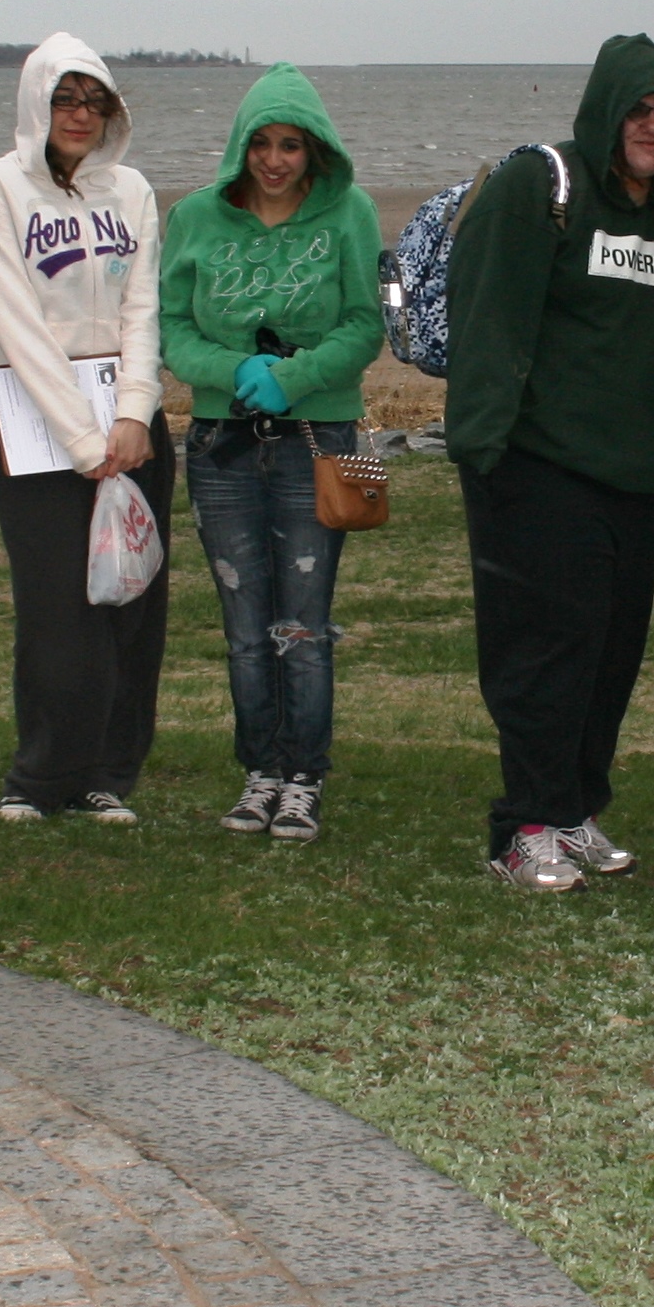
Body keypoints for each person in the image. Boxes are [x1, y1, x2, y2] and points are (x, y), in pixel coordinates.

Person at [449, 36, 654, 892]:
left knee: (609, 655)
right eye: (638, 111)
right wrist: (483, 449)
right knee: (542, 656)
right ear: (604, 112)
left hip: (631, 475)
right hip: (533, 466)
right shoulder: (541, 186)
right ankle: (522, 826)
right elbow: (485, 312)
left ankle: (573, 810)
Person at [159, 64, 385, 844]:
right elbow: (171, 330)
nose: (275, 159)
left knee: (304, 623)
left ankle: (304, 779)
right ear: (239, 146)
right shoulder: (193, 217)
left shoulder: (350, 212)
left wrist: (295, 377)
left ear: (314, 148)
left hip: (321, 442)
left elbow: (365, 325)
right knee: (244, 625)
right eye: (260, 143)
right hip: (222, 444)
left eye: (291, 144)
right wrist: (232, 374)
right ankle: (258, 772)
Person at [0, 36, 170, 823]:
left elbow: (141, 306)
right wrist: (84, 443)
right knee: (57, 615)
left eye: (94, 101)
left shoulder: (133, 191)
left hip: (132, 431)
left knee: (130, 609)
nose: (80, 115)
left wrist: (134, 413)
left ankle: (107, 774)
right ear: (35, 102)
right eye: (64, 98)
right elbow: (13, 321)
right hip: (41, 434)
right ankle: (41, 775)